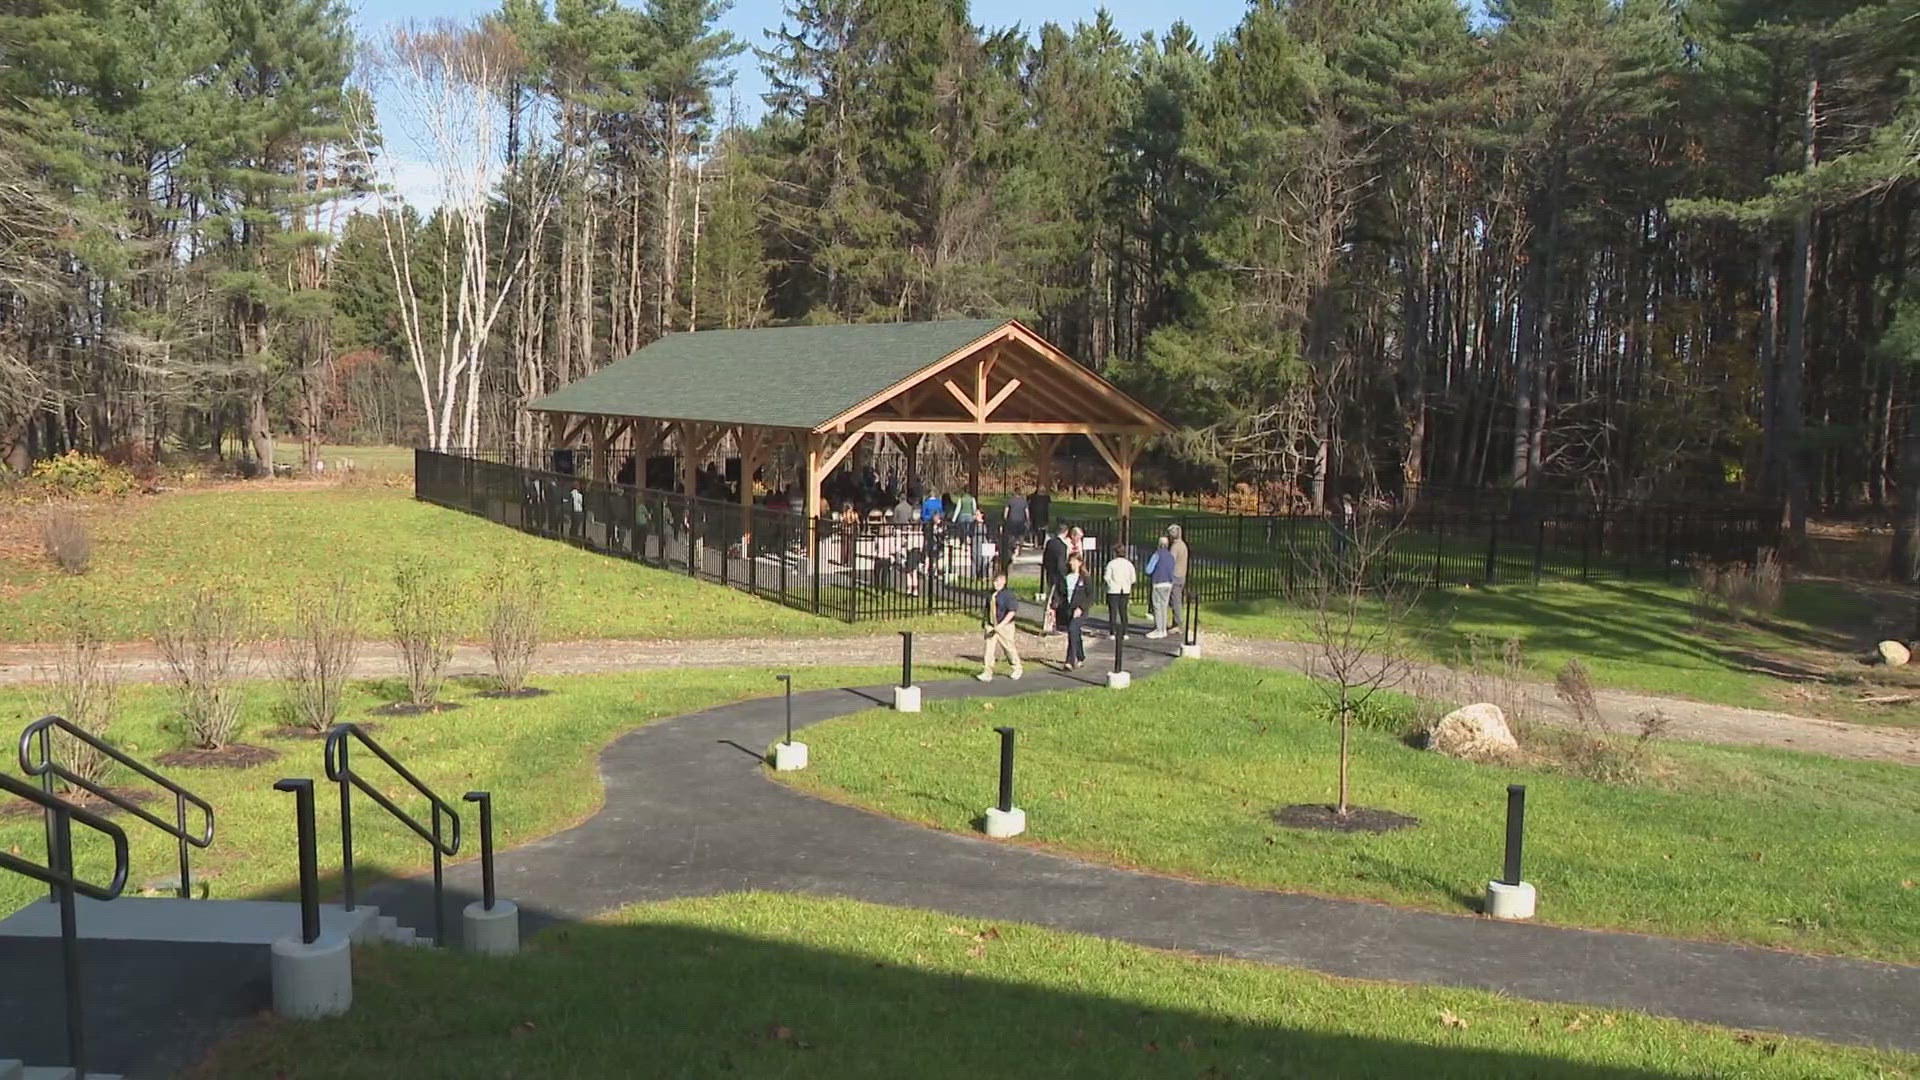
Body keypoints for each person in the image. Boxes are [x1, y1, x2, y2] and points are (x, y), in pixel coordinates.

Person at [978, 571, 1023, 682]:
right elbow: (987, 609)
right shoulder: (991, 594)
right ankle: (987, 671)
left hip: (1005, 626)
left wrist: (1001, 625)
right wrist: (986, 622)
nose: (995, 584)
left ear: (1004, 582)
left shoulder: (1008, 595)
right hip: (991, 625)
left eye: (998, 581)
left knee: (1008, 648)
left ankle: (1017, 667)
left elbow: (1012, 612)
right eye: (994, 581)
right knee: (988, 649)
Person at [1058, 552, 1090, 669]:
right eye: (1070, 561)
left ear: (1080, 563)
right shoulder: (1066, 577)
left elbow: (1090, 596)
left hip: (1080, 611)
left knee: (1072, 630)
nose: (1072, 563)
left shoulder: (1084, 578)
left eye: (1074, 561)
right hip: (1069, 610)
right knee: (1075, 632)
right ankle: (1080, 656)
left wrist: (1081, 608)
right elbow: (1061, 594)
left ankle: (1070, 660)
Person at [1103, 543, 1136, 641]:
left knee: (1113, 612)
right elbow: (1133, 578)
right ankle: (1125, 632)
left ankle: (1112, 633)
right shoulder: (1129, 564)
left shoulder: (1111, 564)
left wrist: (1110, 584)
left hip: (1113, 589)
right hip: (1125, 589)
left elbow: (1107, 577)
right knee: (1123, 611)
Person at [1041, 523, 1070, 631]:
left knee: (1051, 598)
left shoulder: (1050, 543)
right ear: (1066, 532)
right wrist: (1064, 575)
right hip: (1058, 576)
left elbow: (1045, 559)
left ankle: (1050, 622)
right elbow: (1060, 563)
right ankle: (1059, 622)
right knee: (1060, 599)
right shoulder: (1062, 546)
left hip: (1050, 574)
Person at [1144, 536, 1175, 638]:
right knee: (1164, 607)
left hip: (1158, 583)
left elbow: (1148, 569)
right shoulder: (1171, 556)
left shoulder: (1156, 555)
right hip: (1168, 583)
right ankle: (1163, 629)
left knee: (1157, 607)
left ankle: (1159, 629)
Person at [1167, 524, 1190, 629]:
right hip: (1182, 575)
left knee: (1175, 600)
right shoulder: (1183, 545)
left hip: (1175, 576)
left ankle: (1178, 623)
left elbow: (1170, 562)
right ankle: (1176, 622)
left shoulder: (1175, 547)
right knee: (1178, 599)